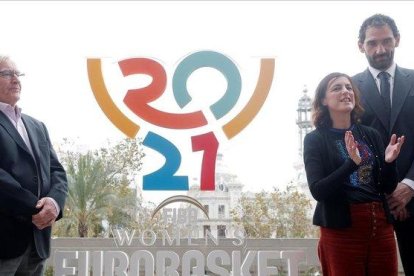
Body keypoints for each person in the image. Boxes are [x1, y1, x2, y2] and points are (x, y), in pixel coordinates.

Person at [304, 72, 404, 275]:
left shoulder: (371, 134)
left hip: (380, 225)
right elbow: (318, 191)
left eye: (348, 87)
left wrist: (390, 163)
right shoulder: (316, 139)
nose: (345, 92)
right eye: (337, 88)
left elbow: (387, 187)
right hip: (341, 228)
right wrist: (351, 163)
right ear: (323, 100)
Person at [352, 14, 414, 276]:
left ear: (397, 40)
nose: (380, 50)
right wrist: (385, 192)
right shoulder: (349, 88)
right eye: (372, 43)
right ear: (361, 46)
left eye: (387, 41)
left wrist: (409, 185)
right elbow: (348, 144)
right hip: (373, 203)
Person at [0, 55, 68, 275]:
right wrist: (37, 208)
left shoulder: (37, 126)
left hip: (37, 242)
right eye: (7, 74)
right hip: (4, 241)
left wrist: (54, 204)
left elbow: (56, 171)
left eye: (18, 74)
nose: (16, 79)